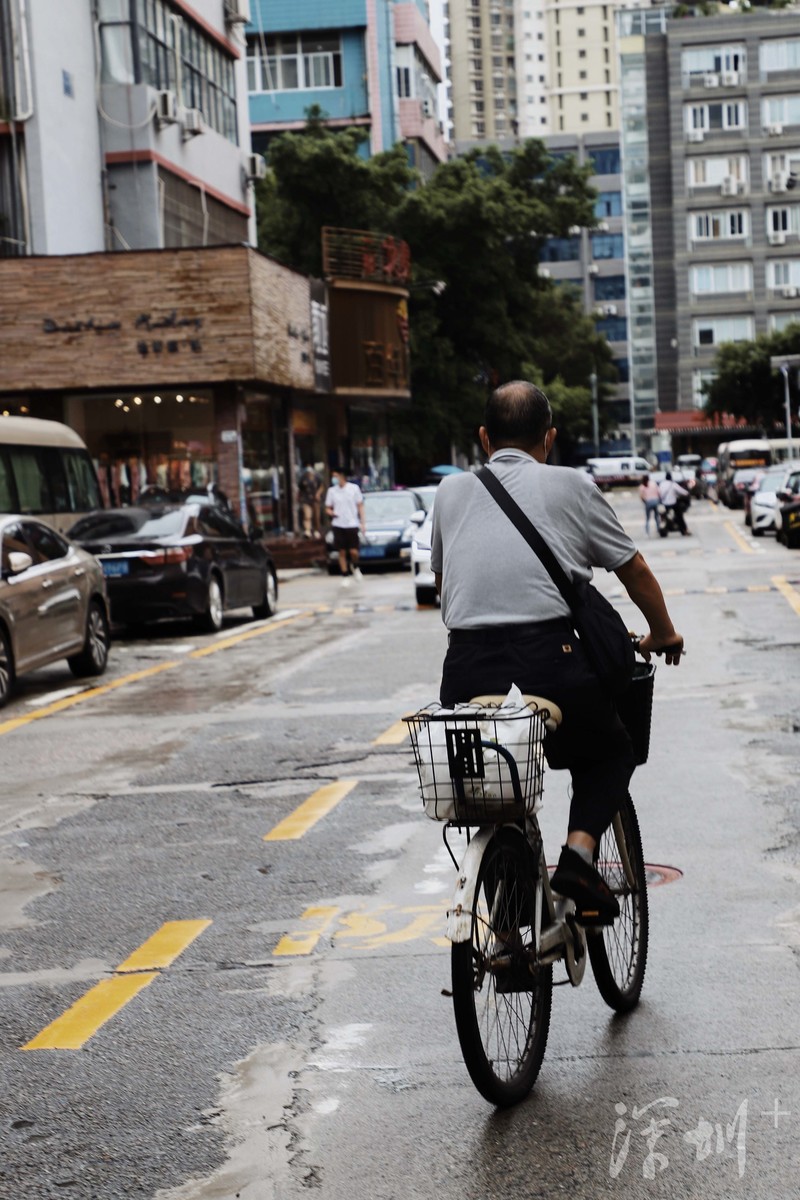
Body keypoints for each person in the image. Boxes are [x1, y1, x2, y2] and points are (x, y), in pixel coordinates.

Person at [430, 381, 684, 923]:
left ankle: (503, 894)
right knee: (610, 752)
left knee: (491, 781)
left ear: (483, 438)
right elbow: (633, 569)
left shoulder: (450, 493)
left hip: (467, 666)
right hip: (553, 660)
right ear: (549, 437)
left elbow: (442, 579)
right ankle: (578, 857)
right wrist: (662, 631)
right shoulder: (570, 484)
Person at [325, 468, 366, 586]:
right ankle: (345, 575)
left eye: (336, 476)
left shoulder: (354, 489)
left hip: (352, 523)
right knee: (341, 551)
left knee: (353, 551)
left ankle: (355, 566)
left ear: (342, 476)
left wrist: (363, 523)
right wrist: (330, 512)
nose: (334, 479)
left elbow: (360, 506)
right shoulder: (332, 491)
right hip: (338, 524)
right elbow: (328, 507)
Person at [658, 471, 690, 536]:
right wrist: (687, 493)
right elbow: (682, 491)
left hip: (664, 504)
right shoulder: (673, 484)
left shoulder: (661, 484)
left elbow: (659, 493)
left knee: (662, 516)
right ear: (671, 478)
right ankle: (685, 530)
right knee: (680, 516)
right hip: (672, 504)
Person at [297, 464, 323, 538]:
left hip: (315, 500)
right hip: (306, 499)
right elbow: (300, 489)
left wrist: (318, 494)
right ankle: (307, 530)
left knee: (316, 516)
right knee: (307, 515)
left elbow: (321, 486)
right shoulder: (303, 478)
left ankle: (316, 530)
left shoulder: (317, 477)